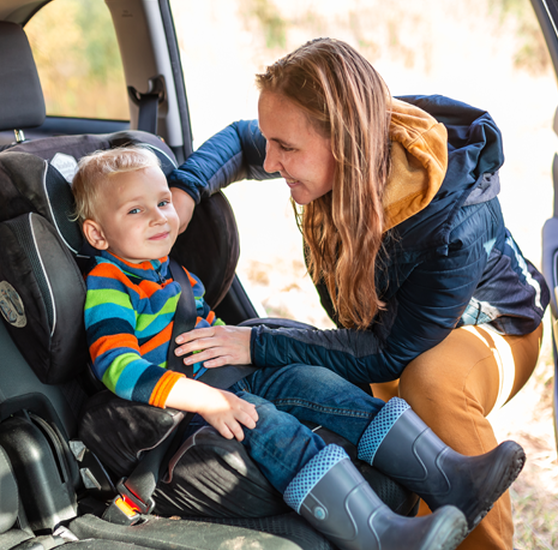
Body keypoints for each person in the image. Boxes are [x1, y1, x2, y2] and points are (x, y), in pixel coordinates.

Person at [166, 38, 550, 550]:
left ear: (342, 143)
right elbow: (240, 142)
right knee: (331, 395)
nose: (271, 160)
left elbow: (389, 352)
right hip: (394, 334)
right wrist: (186, 190)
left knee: (429, 382)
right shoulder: (339, 155)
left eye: (287, 148)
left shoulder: (453, 221)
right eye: (270, 142)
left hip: (493, 330)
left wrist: (254, 345)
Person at [72, 145, 526, 550]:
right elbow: (119, 368)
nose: (158, 217)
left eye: (163, 202)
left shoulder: (176, 274)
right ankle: (381, 536)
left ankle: (449, 475)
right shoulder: (110, 283)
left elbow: (207, 331)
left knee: (323, 386)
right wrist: (207, 399)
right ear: (97, 235)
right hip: (186, 403)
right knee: (276, 428)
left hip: (226, 374)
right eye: (135, 211)